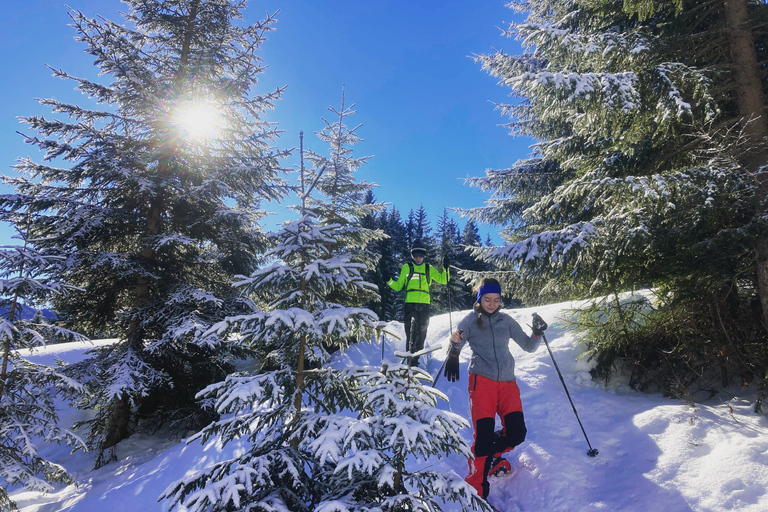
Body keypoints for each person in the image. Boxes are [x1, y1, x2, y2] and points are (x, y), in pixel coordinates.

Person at [443, 277, 547, 500]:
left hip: (508, 383)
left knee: (517, 433)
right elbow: (457, 343)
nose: (492, 304)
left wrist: (537, 333)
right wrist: (453, 349)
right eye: (487, 299)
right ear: (480, 299)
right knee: (483, 437)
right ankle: (477, 494)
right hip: (482, 382)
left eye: (496, 299)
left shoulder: (506, 321)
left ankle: (489, 457)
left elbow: (528, 346)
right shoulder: (470, 321)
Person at [387, 239, 449, 366]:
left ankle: (416, 358)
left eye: (420, 255)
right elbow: (399, 286)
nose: (418, 258)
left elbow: (444, 280)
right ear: (412, 256)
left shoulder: (428, 268)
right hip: (410, 304)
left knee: (422, 332)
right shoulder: (407, 267)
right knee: (411, 332)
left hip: (425, 305)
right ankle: (410, 360)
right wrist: (388, 280)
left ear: (424, 256)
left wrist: (446, 268)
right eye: (415, 255)